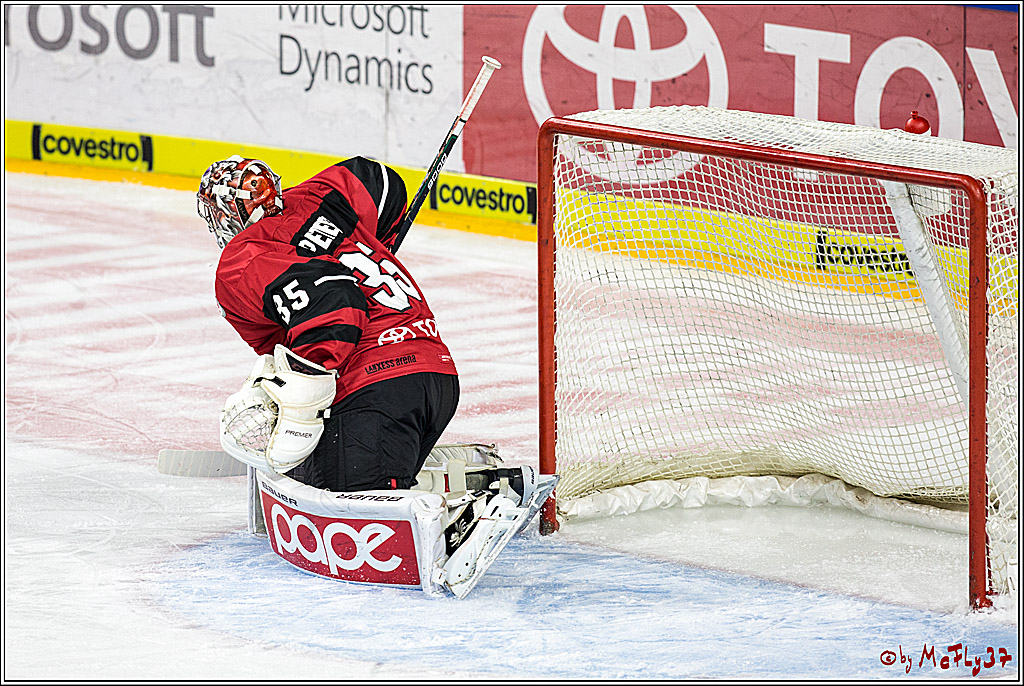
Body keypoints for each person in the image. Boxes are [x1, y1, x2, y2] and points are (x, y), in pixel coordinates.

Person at [196, 155, 461, 493]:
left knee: (355, 507)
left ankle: (468, 514)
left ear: (231, 211)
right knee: (377, 473)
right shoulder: (319, 195)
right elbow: (381, 182)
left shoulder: (246, 256)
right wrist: (376, 241)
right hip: (436, 373)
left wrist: (300, 407)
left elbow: (336, 307)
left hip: (373, 391)